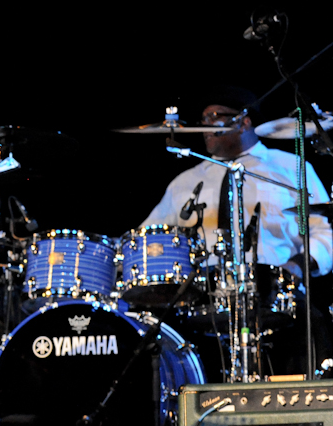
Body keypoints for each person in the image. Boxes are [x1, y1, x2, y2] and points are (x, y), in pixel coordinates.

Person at [140, 86, 333, 379]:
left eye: (213, 117)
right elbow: (147, 240)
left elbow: (326, 233)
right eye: (202, 118)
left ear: (243, 122)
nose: (204, 126)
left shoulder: (290, 168)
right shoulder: (187, 181)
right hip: (203, 306)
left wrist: (297, 266)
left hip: (280, 300)